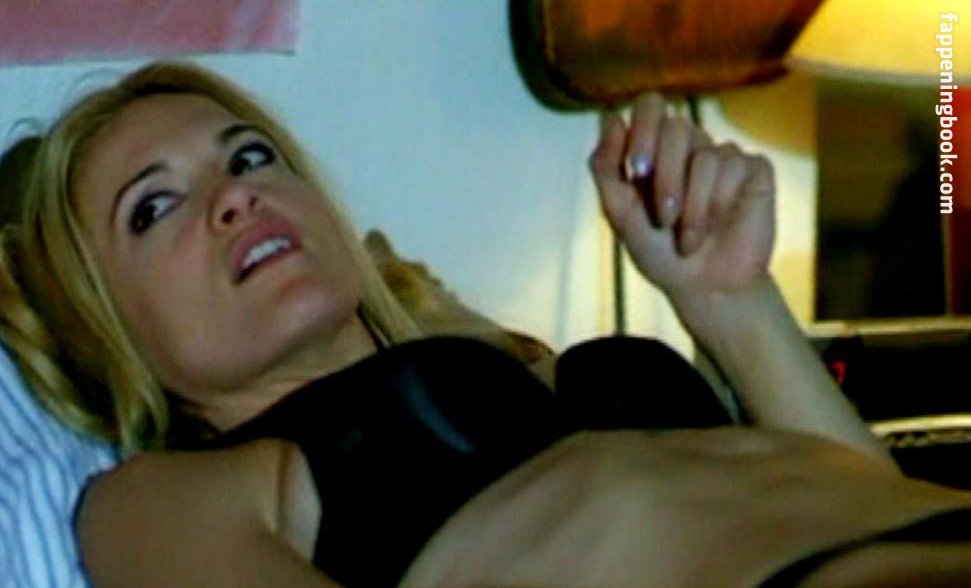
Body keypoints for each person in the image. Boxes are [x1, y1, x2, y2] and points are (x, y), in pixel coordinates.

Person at [3, 61, 971, 587]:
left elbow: (854, 488)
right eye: (153, 207)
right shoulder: (164, 495)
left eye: (249, 156)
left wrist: (730, 303)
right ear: (103, 328)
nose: (233, 197)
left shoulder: (526, 362)